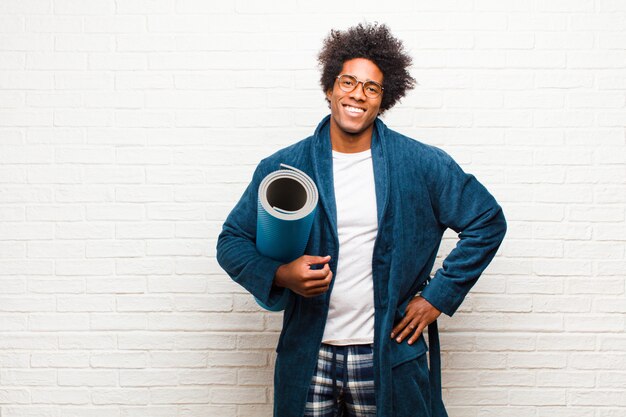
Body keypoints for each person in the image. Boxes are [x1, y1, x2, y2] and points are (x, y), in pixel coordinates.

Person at [217, 22, 506, 417]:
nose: (358, 94)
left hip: (387, 355)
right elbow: (231, 242)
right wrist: (282, 274)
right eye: (348, 82)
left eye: (371, 88)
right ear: (329, 88)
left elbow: (486, 221)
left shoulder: (419, 164)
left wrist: (437, 297)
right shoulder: (285, 166)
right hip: (309, 355)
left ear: (383, 100)